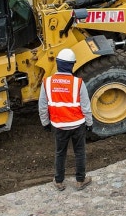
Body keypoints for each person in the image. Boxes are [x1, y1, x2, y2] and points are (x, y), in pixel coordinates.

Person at [39, 49, 94, 191]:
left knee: (60, 153)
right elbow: (86, 106)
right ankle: (80, 181)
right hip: (77, 125)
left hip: (59, 126)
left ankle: (58, 181)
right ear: (72, 65)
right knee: (80, 152)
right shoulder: (78, 83)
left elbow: (43, 106)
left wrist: (45, 122)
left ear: (57, 63)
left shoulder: (47, 82)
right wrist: (89, 123)